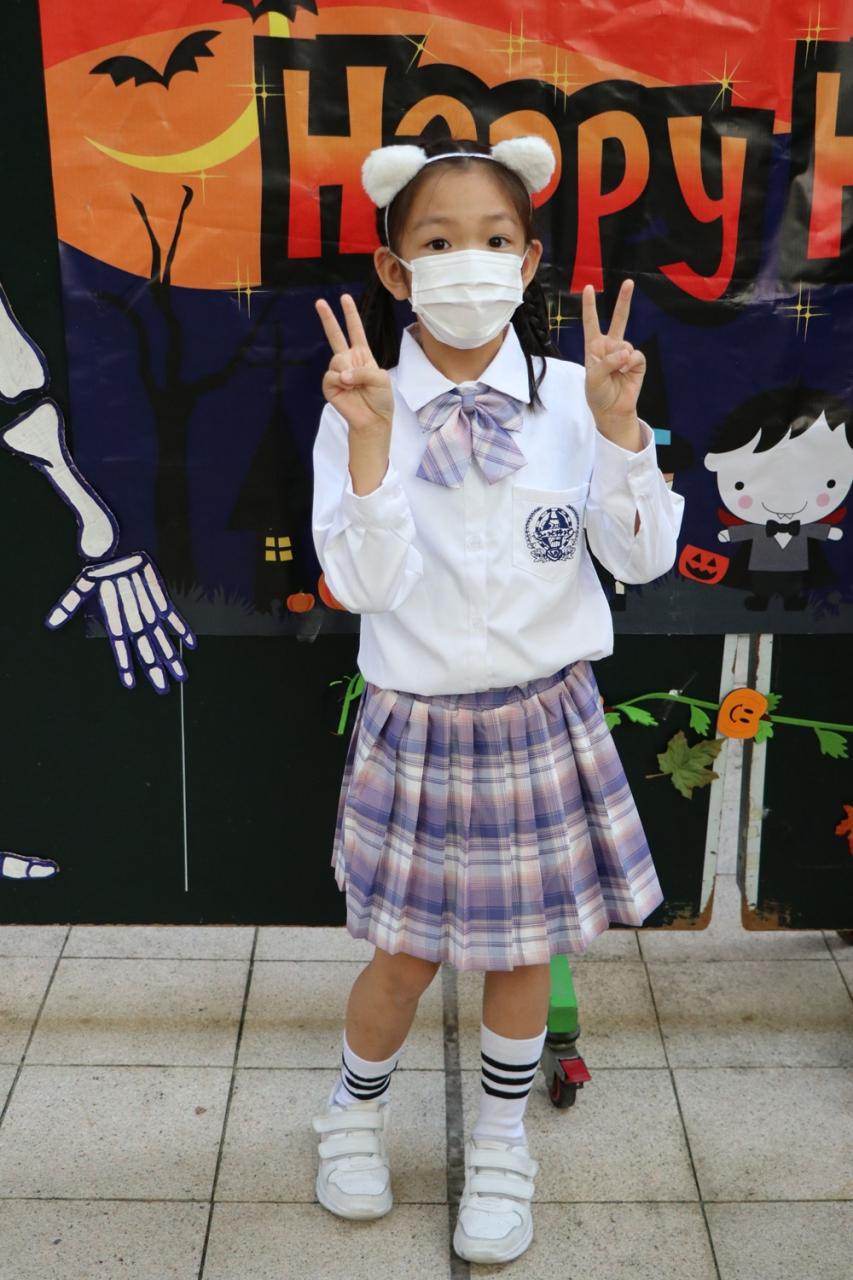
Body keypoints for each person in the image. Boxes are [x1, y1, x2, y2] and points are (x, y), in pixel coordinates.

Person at [309, 134, 684, 1266]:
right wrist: (370, 444)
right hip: (417, 726)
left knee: (525, 958)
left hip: (542, 717)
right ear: (394, 269)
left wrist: (621, 435)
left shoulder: (576, 394)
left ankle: (502, 1144)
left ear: (527, 263)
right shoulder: (360, 401)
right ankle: (351, 1115)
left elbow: (644, 557)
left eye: (494, 239)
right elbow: (363, 587)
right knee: (401, 958)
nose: (467, 261)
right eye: (437, 242)